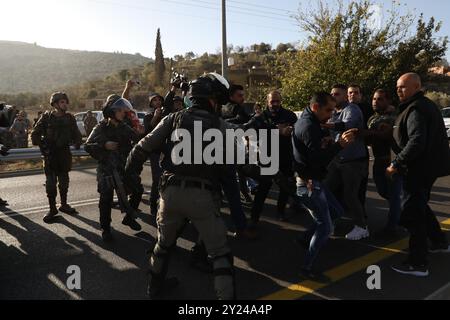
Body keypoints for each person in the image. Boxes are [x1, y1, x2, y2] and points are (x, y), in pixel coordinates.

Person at [124, 73, 235, 300]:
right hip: (202, 197)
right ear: (211, 99)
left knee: (163, 245)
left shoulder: (172, 119)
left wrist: (131, 180)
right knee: (221, 255)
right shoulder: (221, 126)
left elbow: (140, 149)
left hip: (170, 193)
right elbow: (244, 163)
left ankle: (153, 289)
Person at [389, 73, 450, 276]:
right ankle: (440, 242)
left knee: (413, 213)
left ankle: (418, 263)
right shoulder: (422, 105)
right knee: (420, 205)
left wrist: (396, 163)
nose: (399, 90)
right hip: (427, 168)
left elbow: (416, 141)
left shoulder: (416, 109)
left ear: (417, 87)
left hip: (418, 169)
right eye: (398, 87)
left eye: (404, 87)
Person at [293, 92, 355, 281]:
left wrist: (326, 142)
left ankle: (305, 238)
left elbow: (313, 149)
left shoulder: (309, 119)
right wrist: (339, 145)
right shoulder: (309, 125)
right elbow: (317, 160)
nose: (331, 114)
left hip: (313, 181)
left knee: (336, 211)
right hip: (309, 184)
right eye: (328, 110)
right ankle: (306, 267)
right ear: (315, 108)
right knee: (326, 227)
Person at [85, 95, 142, 241]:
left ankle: (129, 218)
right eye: (121, 110)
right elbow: (88, 145)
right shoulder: (101, 127)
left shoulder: (124, 127)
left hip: (123, 167)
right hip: (107, 169)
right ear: (112, 111)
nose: (124, 112)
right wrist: (104, 144)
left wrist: (142, 134)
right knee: (106, 199)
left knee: (137, 190)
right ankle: (105, 229)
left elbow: (139, 140)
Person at [323, 84, 369, 241]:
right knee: (326, 189)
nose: (333, 97)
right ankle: (332, 221)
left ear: (344, 96)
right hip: (338, 159)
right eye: (331, 94)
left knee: (350, 195)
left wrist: (326, 124)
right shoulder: (335, 111)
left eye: (336, 94)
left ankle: (362, 227)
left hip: (353, 161)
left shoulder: (352, 109)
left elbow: (347, 125)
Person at [247, 90, 298, 226]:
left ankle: (281, 212)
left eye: (277, 101)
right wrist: (277, 130)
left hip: (285, 156)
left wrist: (291, 129)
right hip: (267, 157)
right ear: (267, 102)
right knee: (263, 189)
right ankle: (254, 218)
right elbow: (250, 132)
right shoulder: (260, 117)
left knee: (285, 187)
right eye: (272, 101)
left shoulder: (289, 115)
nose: (275, 104)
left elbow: (298, 130)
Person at [31, 92, 82, 223]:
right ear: (55, 104)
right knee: (51, 183)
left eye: (65, 102)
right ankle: (52, 208)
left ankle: (64, 204)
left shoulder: (70, 118)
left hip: (64, 154)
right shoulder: (46, 118)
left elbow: (76, 133)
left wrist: (77, 141)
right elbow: (35, 135)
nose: (65, 104)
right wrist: (44, 147)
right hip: (50, 155)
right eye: (62, 102)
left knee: (64, 181)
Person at [357, 89, 402, 234]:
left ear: (388, 101)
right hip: (378, 161)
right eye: (374, 99)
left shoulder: (394, 117)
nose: (376, 102)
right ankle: (402, 211)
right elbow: (370, 139)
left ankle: (393, 226)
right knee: (383, 192)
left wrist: (369, 133)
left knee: (394, 195)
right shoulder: (372, 119)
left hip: (392, 161)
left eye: (380, 99)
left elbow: (387, 135)